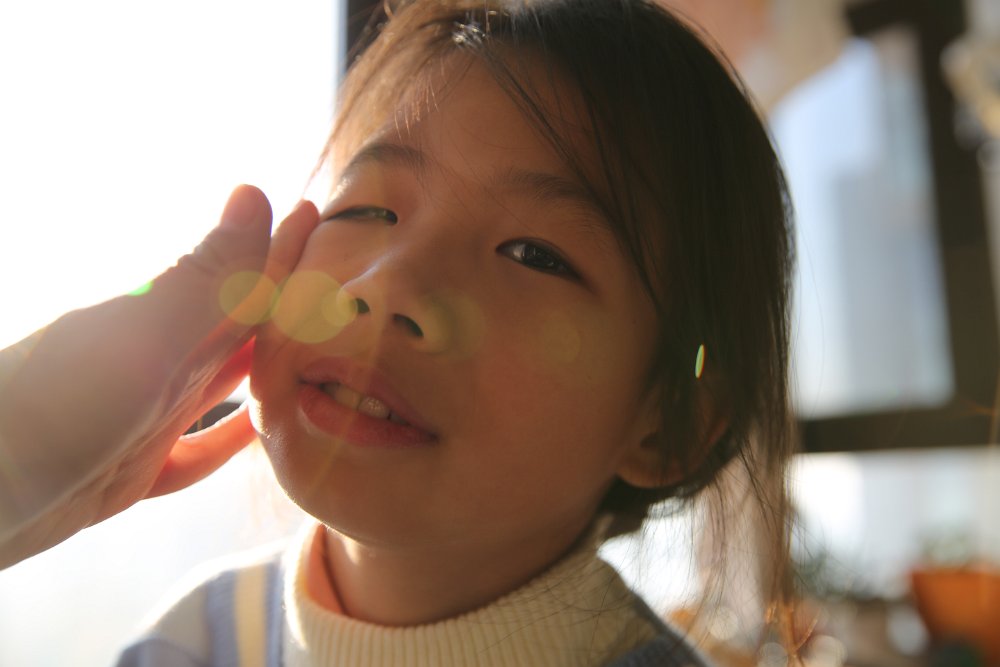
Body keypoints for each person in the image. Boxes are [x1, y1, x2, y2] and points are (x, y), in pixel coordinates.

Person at [0, 0, 797, 664]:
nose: (387, 287)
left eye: (534, 254)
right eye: (368, 209)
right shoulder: (188, 644)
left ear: (668, 423)